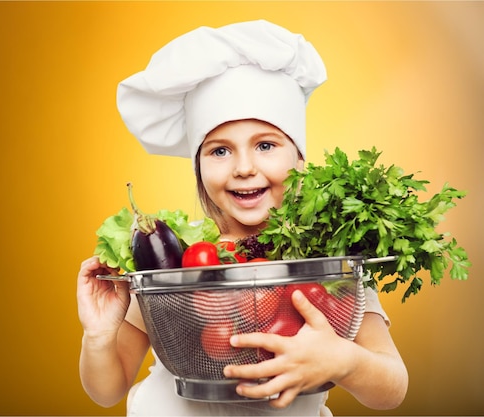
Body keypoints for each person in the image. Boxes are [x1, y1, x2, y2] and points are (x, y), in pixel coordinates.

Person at [77, 20, 408, 416]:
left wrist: (344, 361)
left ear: (299, 160)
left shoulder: (330, 264)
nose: (244, 167)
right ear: (198, 168)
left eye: (266, 145)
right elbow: (107, 388)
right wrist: (98, 335)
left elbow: (391, 387)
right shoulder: (178, 261)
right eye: (219, 151)